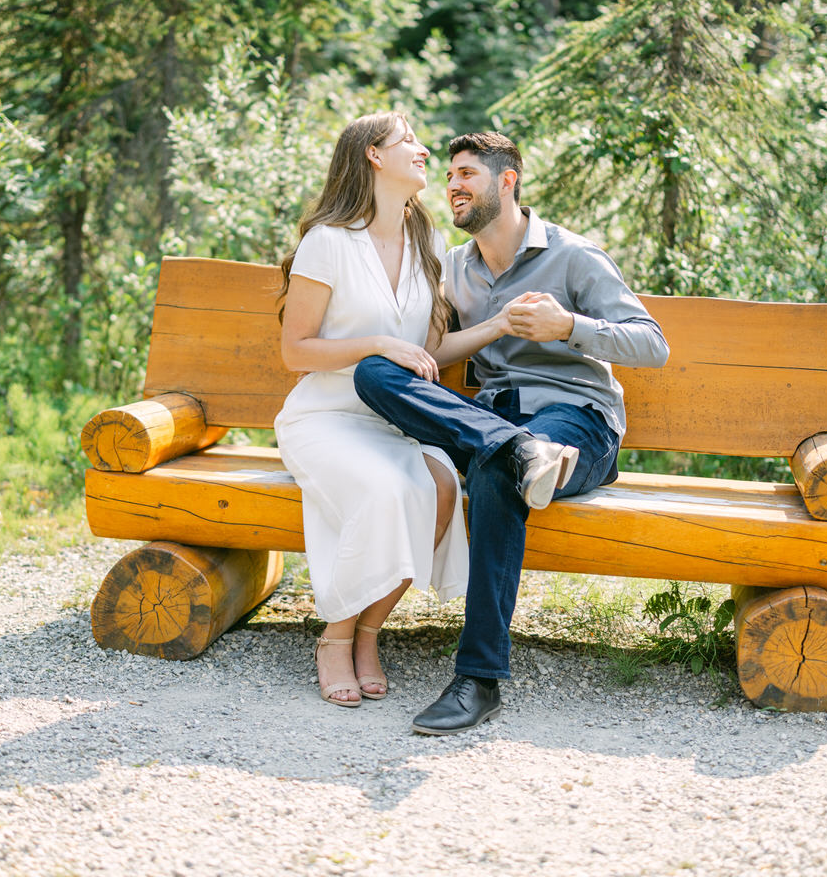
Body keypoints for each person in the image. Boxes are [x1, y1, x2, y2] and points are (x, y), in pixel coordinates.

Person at [351, 130, 670, 734]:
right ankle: (517, 449)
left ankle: (478, 679)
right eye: (448, 178)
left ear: (507, 181)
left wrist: (567, 325)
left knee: (497, 469)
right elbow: (431, 351)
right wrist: (495, 327)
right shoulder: (450, 268)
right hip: (494, 419)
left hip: (575, 421)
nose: (452, 188)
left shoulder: (573, 256)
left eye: (466, 175)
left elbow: (652, 344)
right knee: (375, 372)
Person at [275, 113, 544, 709]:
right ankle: (336, 636)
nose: (423, 152)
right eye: (409, 143)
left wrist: (496, 325)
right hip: (326, 417)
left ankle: (370, 630)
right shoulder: (330, 242)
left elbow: (424, 354)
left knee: (442, 486)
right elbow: (296, 351)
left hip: (394, 420)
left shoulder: (425, 243)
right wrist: (374, 345)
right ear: (373, 155)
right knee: (386, 491)